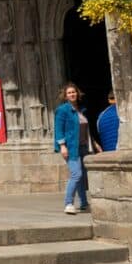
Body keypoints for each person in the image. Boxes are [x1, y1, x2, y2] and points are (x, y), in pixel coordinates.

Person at [53, 82, 89, 214]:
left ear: (77, 93)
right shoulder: (62, 110)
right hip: (71, 147)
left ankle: (84, 203)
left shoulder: (81, 109)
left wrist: (95, 144)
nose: (72, 94)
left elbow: (86, 128)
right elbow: (58, 129)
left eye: (73, 92)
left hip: (83, 146)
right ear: (65, 95)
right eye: (69, 93)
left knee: (82, 176)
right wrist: (62, 146)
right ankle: (68, 203)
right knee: (76, 174)